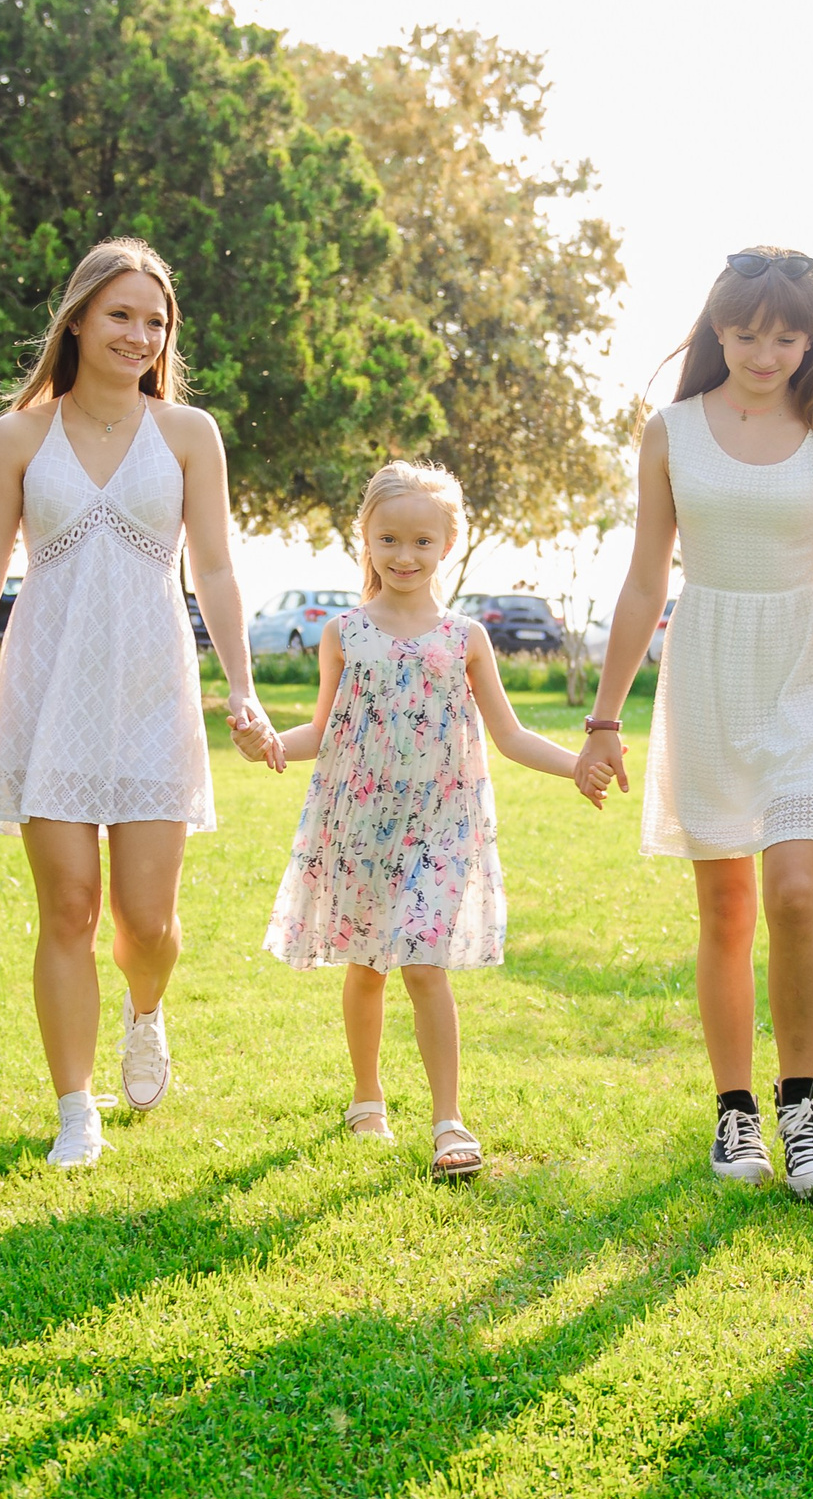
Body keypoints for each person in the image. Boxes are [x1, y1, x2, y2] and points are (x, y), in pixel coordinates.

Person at [577, 247, 813, 1197]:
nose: (765, 353)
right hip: (707, 670)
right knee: (727, 909)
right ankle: (735, 1112)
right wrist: (603, 719)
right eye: (747, 334)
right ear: (718, 329)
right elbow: (644, 581)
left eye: (787, 337)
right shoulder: (670, 433)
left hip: (802, 671)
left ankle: (801, 1106)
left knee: (793, 893)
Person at [0, 238, 272, 1169]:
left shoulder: (188, 434)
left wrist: (242, 687)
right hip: (48, 693)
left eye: (155, 321)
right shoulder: (17, 438)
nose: (139, 335)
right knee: (69, 910)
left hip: (152, 693)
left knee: (146, 923)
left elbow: (214, 568)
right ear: (79, 319)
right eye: (121, 314)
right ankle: (74, 1108)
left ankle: (146, 1009)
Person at [243, 462, 597, 1178]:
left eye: (422, 542)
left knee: (425, 966)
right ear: (366, 540)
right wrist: (270, 743)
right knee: (367, 965)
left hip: (442, 826)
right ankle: (367, 1097)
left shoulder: (465, 638)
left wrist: (577, 766)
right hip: (361, 824)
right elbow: (323, 731)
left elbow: (510, 735)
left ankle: (448, 1120)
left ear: (448, 544)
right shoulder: (344, 633)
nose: (404, 556)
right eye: (389, 540)